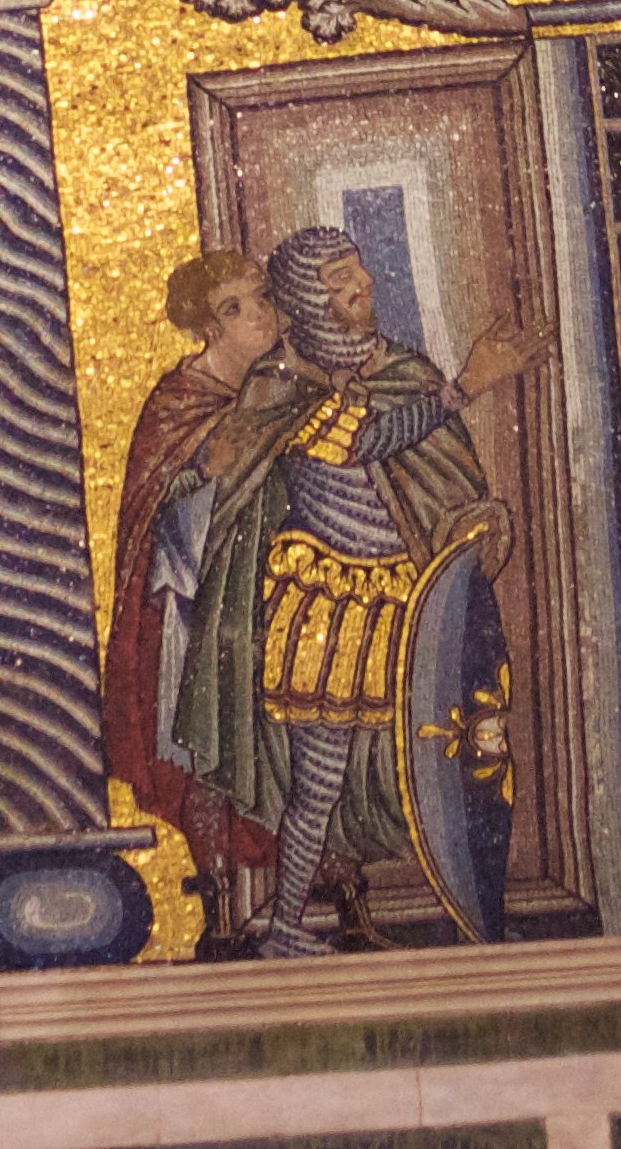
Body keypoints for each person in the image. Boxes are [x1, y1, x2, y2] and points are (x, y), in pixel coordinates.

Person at [157, 228, 537, 956]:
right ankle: (287, 928)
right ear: (308, 300)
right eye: (340, 279)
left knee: (436, 759)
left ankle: (462, 912)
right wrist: (467, 386)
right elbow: (363, 442)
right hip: (327, 608)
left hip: (402, 602)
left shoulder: (400, 371)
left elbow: (433, 471)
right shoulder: (279, 387)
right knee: (322, 780)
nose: (364, 284)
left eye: (358, 270)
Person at [102, 248, 287, 933]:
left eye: (262, 297)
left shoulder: (282, 387)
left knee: (290, 750)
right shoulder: (178, 402)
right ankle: (218, 917)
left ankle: (323, 902)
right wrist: (204, 466)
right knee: (207, 754)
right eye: (236, 308)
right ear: (209, 328)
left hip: (270, 597)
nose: (259, 315)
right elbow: (149, 508)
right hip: (196, 609)